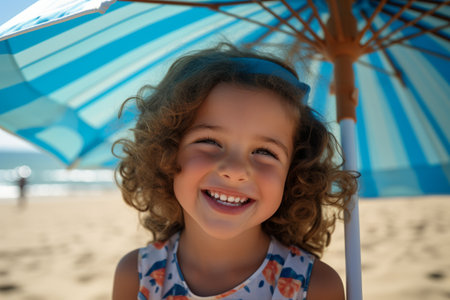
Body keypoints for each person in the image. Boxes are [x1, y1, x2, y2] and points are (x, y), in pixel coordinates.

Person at [112, 43, 358, 300]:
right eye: (210, 141)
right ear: (166, 151)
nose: (235, 170)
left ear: (294, 173)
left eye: (265, 152)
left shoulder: (315, 287)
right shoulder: (137, 276)